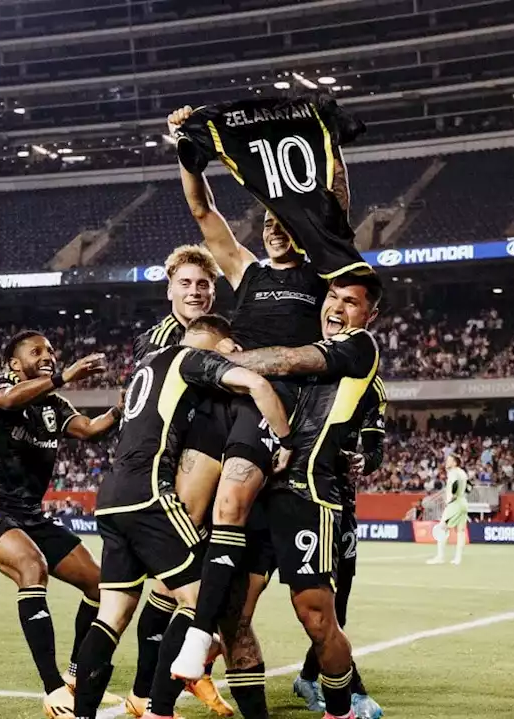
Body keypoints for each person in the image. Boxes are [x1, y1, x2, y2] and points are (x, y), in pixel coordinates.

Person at [167, 104, 347, 697]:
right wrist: (187, 153)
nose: (274, 228)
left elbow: (334, 208)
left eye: (284, 221)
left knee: (235, 504)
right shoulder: (243, 270)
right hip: (231, 406)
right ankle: (179, 653)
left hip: (283, 410)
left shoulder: (320, 277)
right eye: (268, 221)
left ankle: (198, 645)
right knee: (196, 524)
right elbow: (202, 210)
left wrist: (330, 144)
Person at [175, 273, 386, 719]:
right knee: (235, 612)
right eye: (332, 296)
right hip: (262, 488)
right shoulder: (314, 340)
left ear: (370, 314)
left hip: (308, 495)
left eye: (350, 302)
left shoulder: (359, 345)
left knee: (315, 615)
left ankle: (340, 708)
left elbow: (287, 360)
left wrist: (221, 360)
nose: (337, 308)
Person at [71, 315, 292, 719]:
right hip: (149, 494)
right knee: (204, 595)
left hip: (111, 497)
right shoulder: (191, 358)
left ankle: (82, 714)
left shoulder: (147, 365)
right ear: (216, 344)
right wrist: (285, 439)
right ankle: (161, 708)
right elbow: (257, 384)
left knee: (112, 615)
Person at [0, 331, 120, 718]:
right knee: (32, 568)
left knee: (99, 584)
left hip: (30, 514)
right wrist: (66, 376)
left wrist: (120, 410)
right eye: (37, 351)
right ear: (15, 363)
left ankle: (77, 677)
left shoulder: (54, 405)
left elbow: (91, 430)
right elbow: (10, 401)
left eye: (50, 350)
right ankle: (53, 690)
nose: (47, 355)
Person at [125, 245, 235, 718]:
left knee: (194, 583)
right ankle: (146, 690)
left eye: (203, 284)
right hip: (171, 471)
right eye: (186, 283)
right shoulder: (163, 338)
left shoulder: (210, 333)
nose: (195, 291)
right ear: (169, 287)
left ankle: (183, 674)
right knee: (175, 586)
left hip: (208, 465)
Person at [294, 376, 387, 718]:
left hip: (338, 500)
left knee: (336, 604)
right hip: (284, 490)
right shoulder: (302, 364)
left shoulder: (370, 386)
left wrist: (367, 460)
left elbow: (375, 448)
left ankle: (310, 678)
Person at [429, 453, 470, 565]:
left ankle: (440, 557)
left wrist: (451, 497)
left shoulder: (453, 473)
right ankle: (458, 559)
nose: (447, 462)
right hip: (463, 502)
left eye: (449, 460)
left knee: (442, 528)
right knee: (460, 532)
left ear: (455, 463)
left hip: (455, 503)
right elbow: (469, 487)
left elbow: (454, 485)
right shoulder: (463, 472)